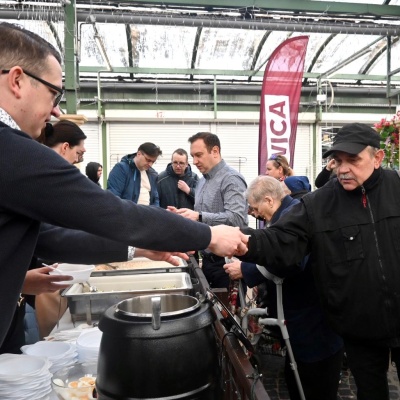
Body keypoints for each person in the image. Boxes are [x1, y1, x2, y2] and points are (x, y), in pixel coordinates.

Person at [0, 21, 248, 349]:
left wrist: (139, 249)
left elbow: (47, 238)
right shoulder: (12, 151)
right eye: (53, 92)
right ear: (17, 80)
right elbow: (114, 212)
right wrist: (210, 236)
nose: (57, 111)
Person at [237, 123, 400, 399]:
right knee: (371, 392)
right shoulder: (318, 204)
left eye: (354, 160)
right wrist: (242, 242)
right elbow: (282, 240)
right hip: (358, 327)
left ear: (378, 157)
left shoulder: (397, 189)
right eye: (338, 161)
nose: (343, 168)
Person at [224, 176, 343, 400]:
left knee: (312, 382)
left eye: (256, 207)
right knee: (298, 375)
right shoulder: (286, 212)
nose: (255, 213)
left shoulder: (292, 216)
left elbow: (291, 261)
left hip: (312, 319)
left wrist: (246, 269)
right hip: (306, 317)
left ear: (269, 200)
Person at [169, 132, 248, 290]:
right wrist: (184, 216)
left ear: (215, 151)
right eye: (192, 156)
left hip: (227, 263)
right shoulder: (202, 181)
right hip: (206, 259)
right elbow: (203, 217)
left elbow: (237, 219)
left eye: (199, 155)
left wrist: (199, 216)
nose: (195, 161)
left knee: (228, 312)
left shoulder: (231, 179)